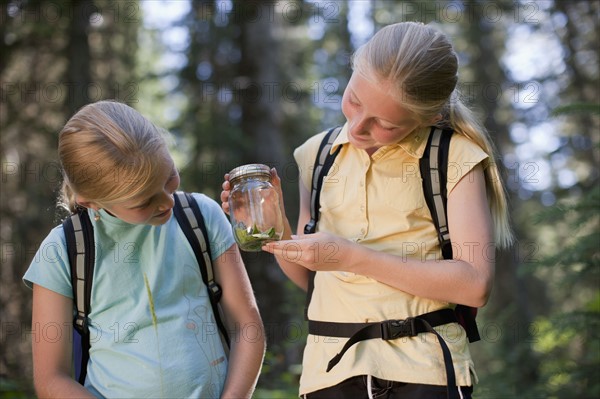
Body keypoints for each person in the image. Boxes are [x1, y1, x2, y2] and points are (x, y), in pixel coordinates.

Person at [221, 22, 513, 398]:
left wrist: (352, 257)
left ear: (427, 117)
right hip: (329, 374)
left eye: (385, 123)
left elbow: (474, 285)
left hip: (426, 371)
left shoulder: (452, 157)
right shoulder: (318, 155)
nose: (358, 127)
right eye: (354, 101)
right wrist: (273, 225)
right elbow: (311, 279)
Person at [24, 100, 265, 398]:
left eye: (169, 179)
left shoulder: (201, 217)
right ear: (91, 201)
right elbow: (51, 380)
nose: (167, 202)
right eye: (143, 202)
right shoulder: (63, 251)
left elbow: (247, 326)